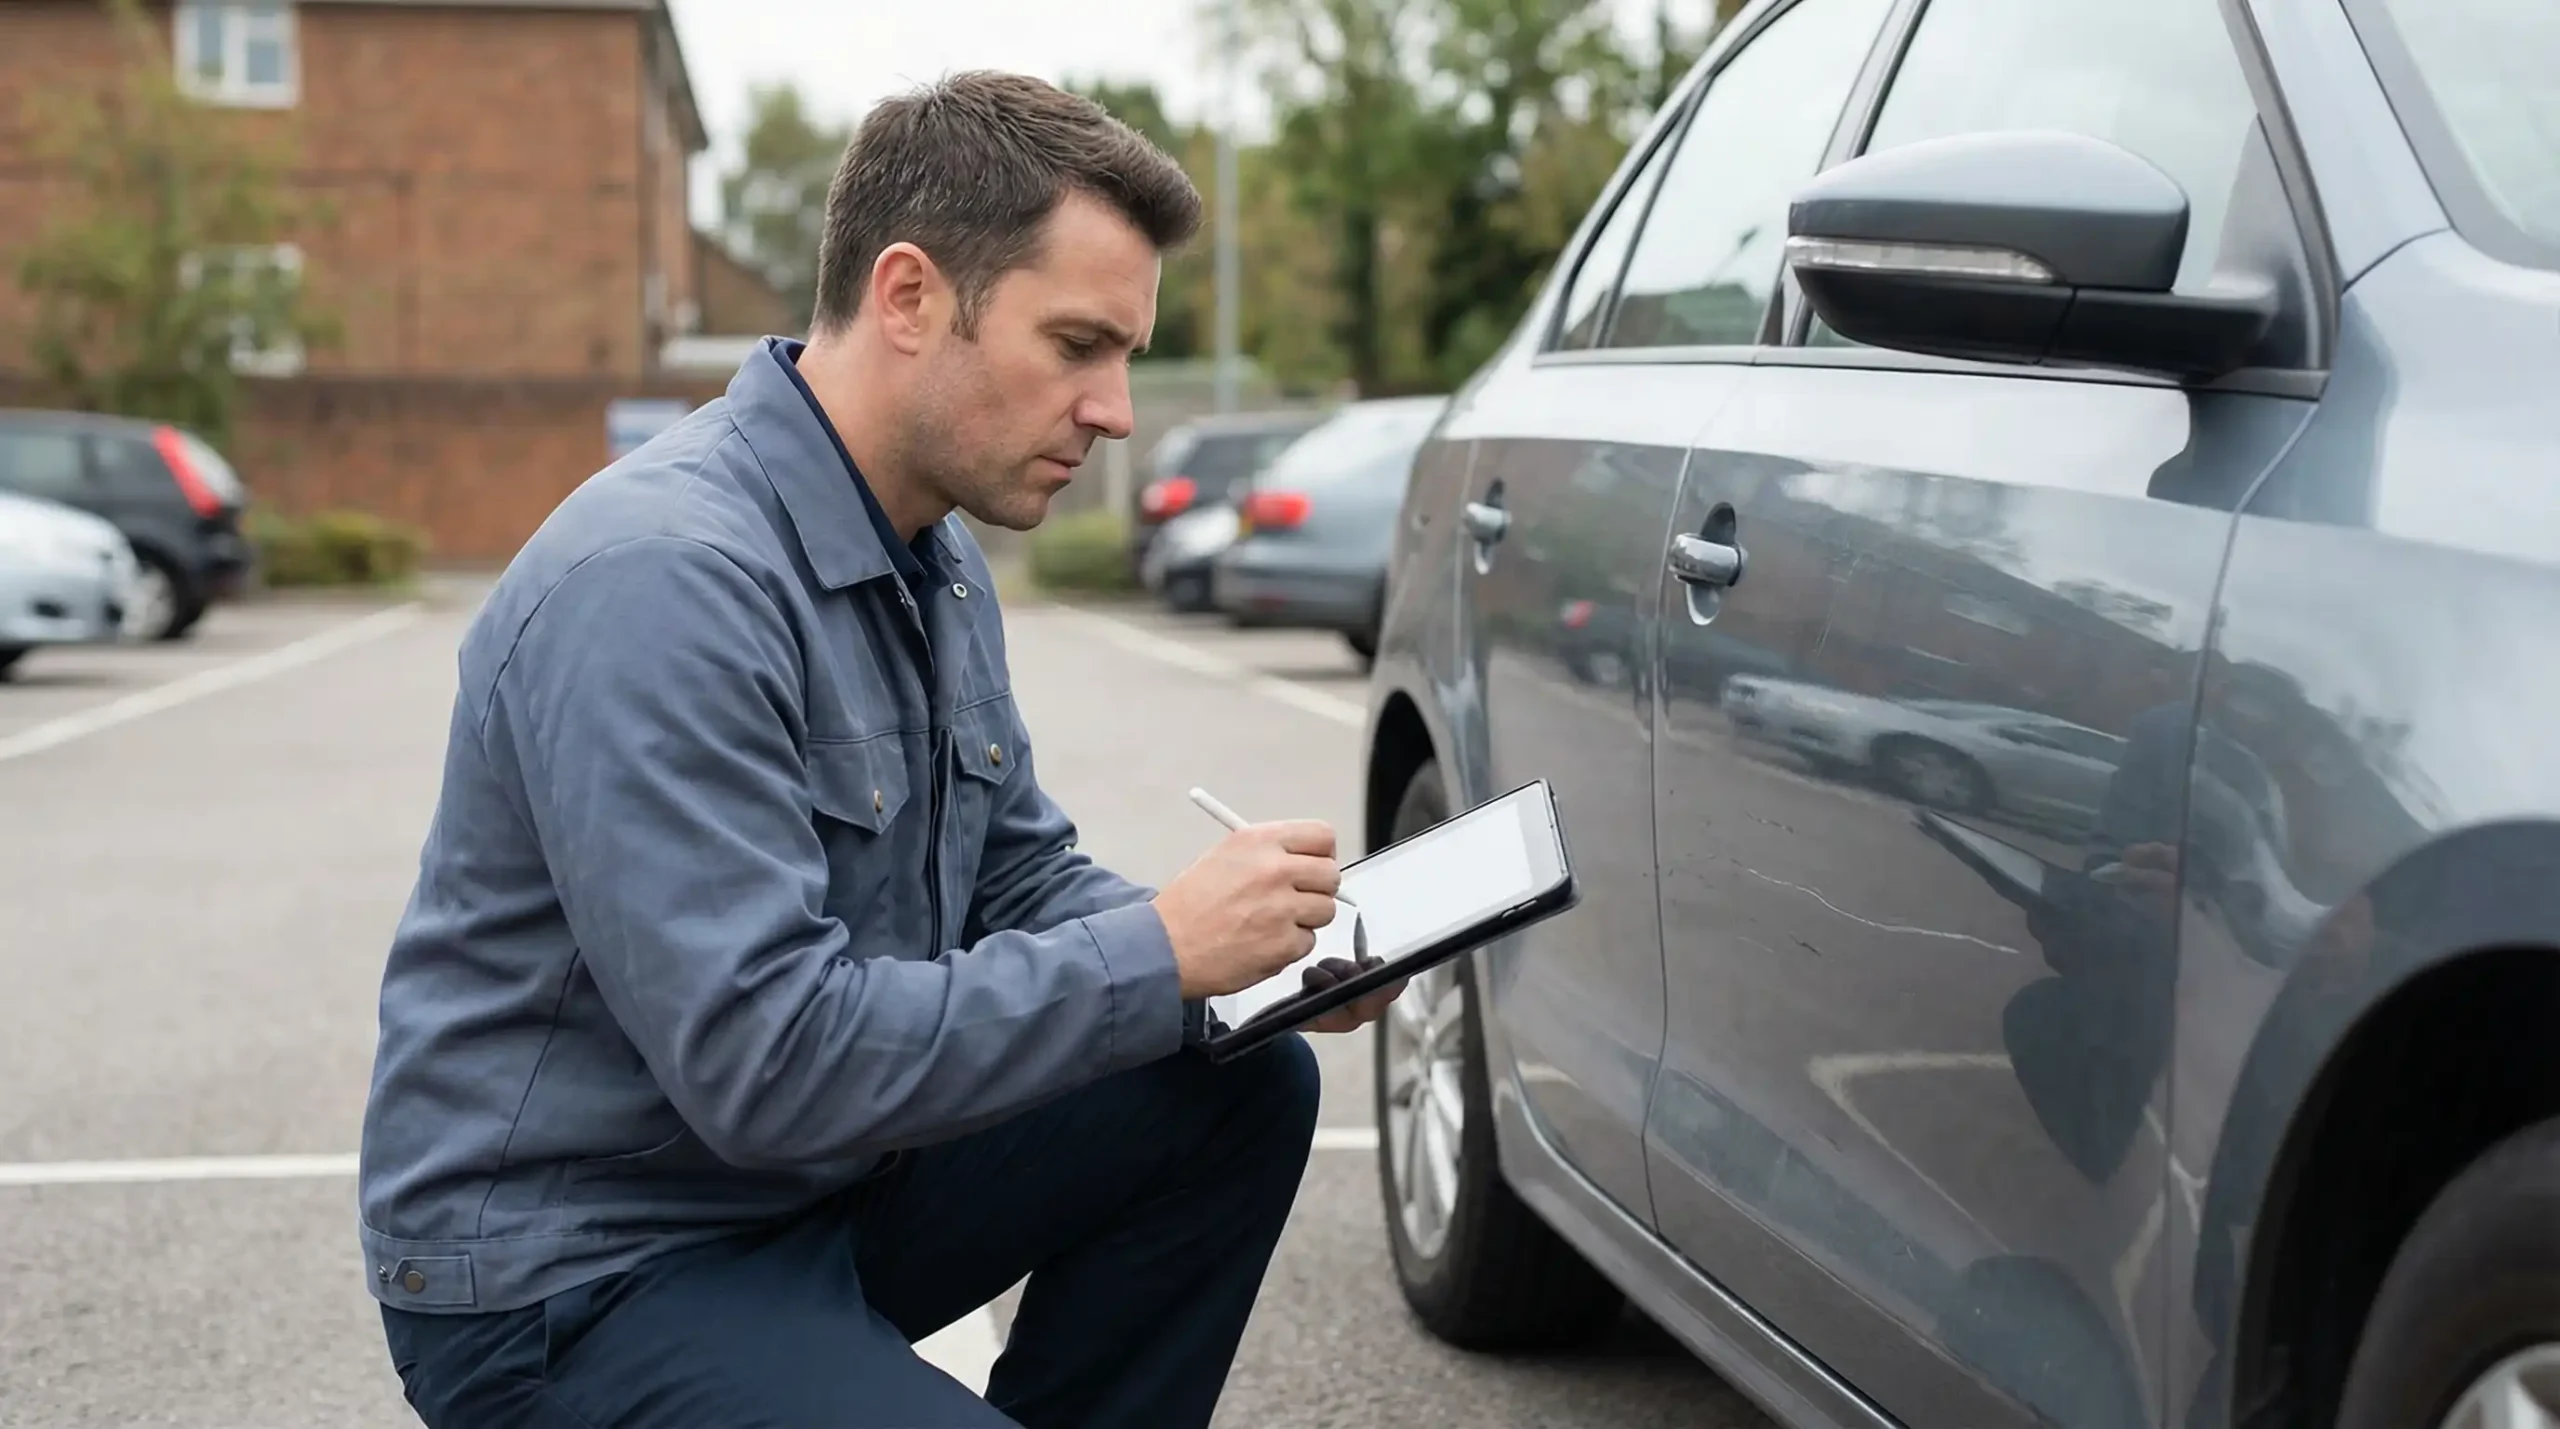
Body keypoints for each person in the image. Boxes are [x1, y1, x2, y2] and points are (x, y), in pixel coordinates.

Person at [357, 70, 1402, 1429]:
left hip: (805, 1199)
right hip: (581, 1275)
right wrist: (1158, 953)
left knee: (1237, 1076)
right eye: (1079, 344)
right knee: (1168, 1007)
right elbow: (768, 1063)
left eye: (1128, 356)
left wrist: (1255, 953)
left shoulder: (934, 557)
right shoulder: (661, 581)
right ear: (908, 297)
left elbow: (1017, 881)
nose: (1117, 412)